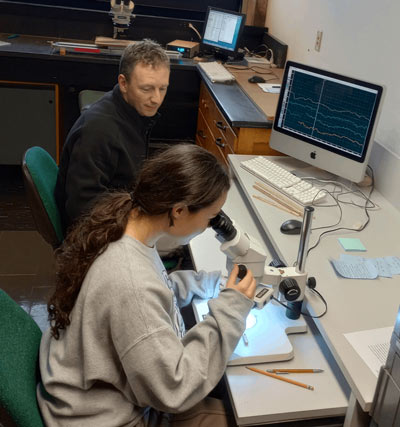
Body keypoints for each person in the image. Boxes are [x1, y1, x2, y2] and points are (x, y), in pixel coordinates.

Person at [38, 144, 256, 427]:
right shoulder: (130, 283)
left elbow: (157, 285)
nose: (208, 226)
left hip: (90, 391)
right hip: (105, 418)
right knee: (248, 415)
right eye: (209, 217)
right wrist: (231, 311)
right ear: (178, 210)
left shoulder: (129, 223)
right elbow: (173, 388)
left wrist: (210, 284)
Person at [55, 39, 170, 233]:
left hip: (120, 209)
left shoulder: (133, 114)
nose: (156, 99)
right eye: (146, 89)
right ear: (123, 83)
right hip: (94, 233)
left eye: (163, 88)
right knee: (184, 236)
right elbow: (82, 209)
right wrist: (141, 224)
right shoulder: (98, 131)